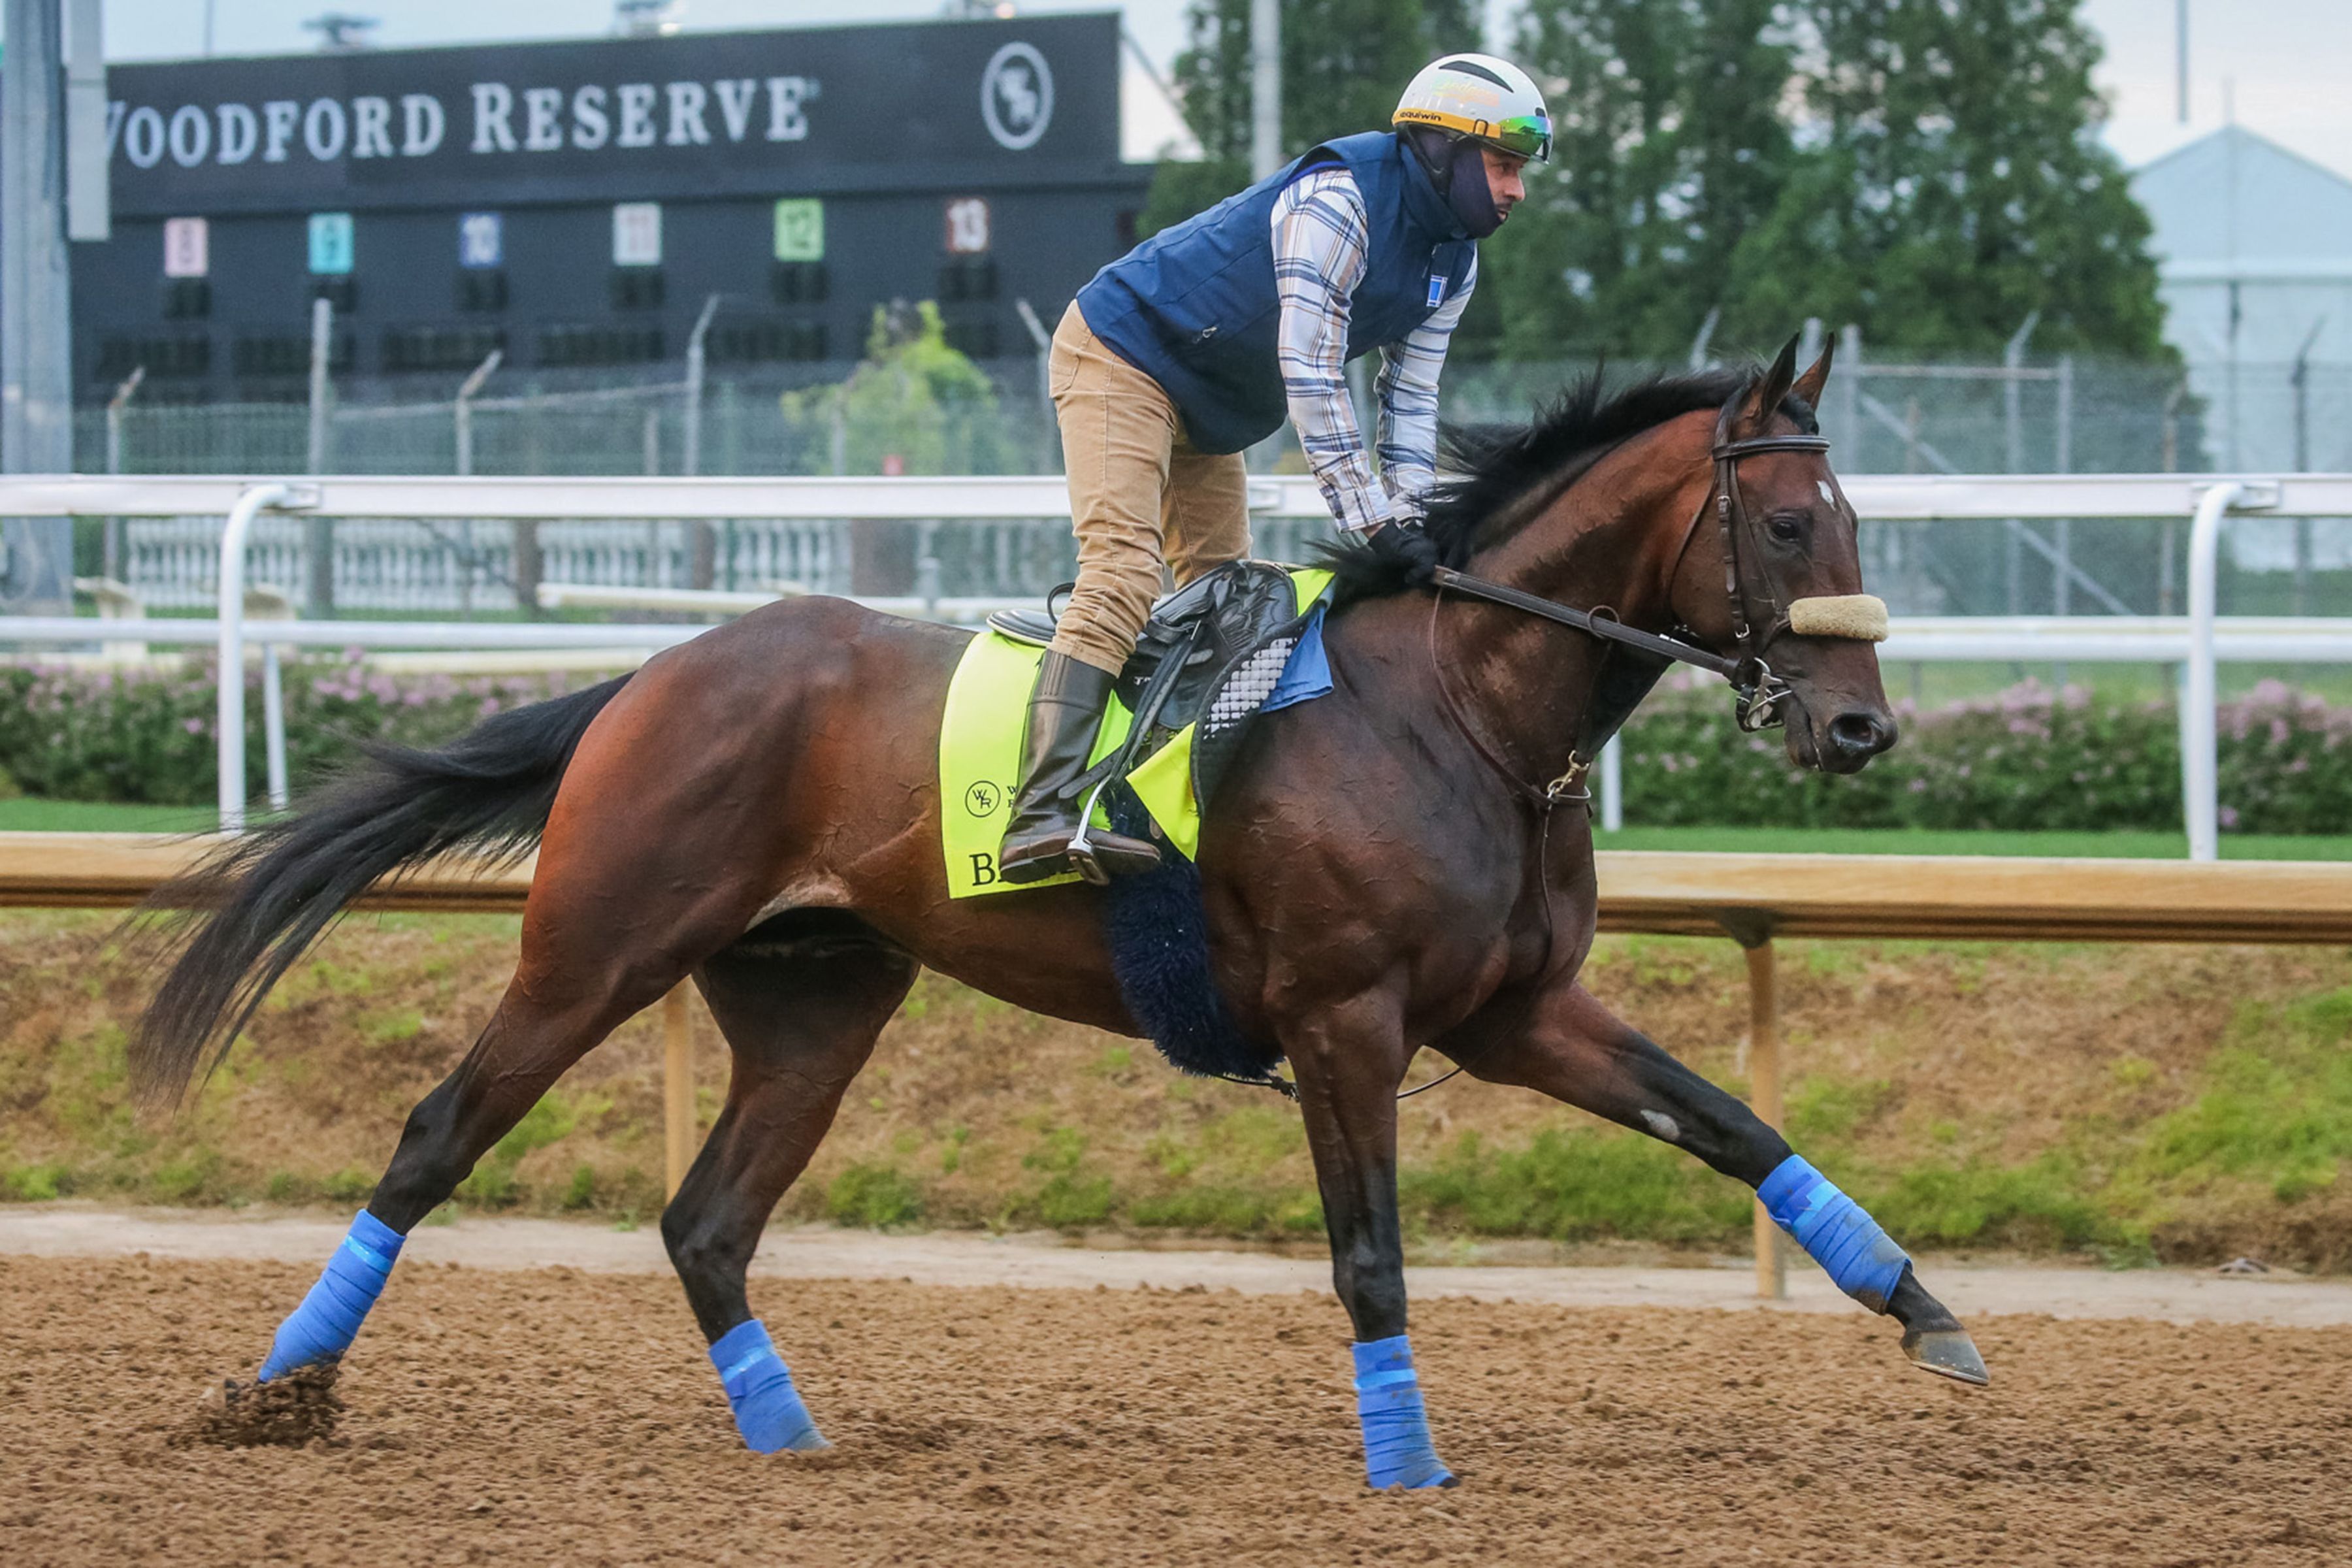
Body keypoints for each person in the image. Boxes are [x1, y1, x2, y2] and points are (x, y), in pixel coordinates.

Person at [996, 53, 1553, 884]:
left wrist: (1415, 519)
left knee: (1226, 599)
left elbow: (1408, 403)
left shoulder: (1456, 263)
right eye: (1503, 166)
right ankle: (1038, 814)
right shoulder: (1340, 199)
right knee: (1121, 574)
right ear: (1441, 149)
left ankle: (1154, 801)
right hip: (1123, 353)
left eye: (1520, 174)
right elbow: (1314, 368)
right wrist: (1369, 521)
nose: (1514, 191)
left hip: (1213, 402)